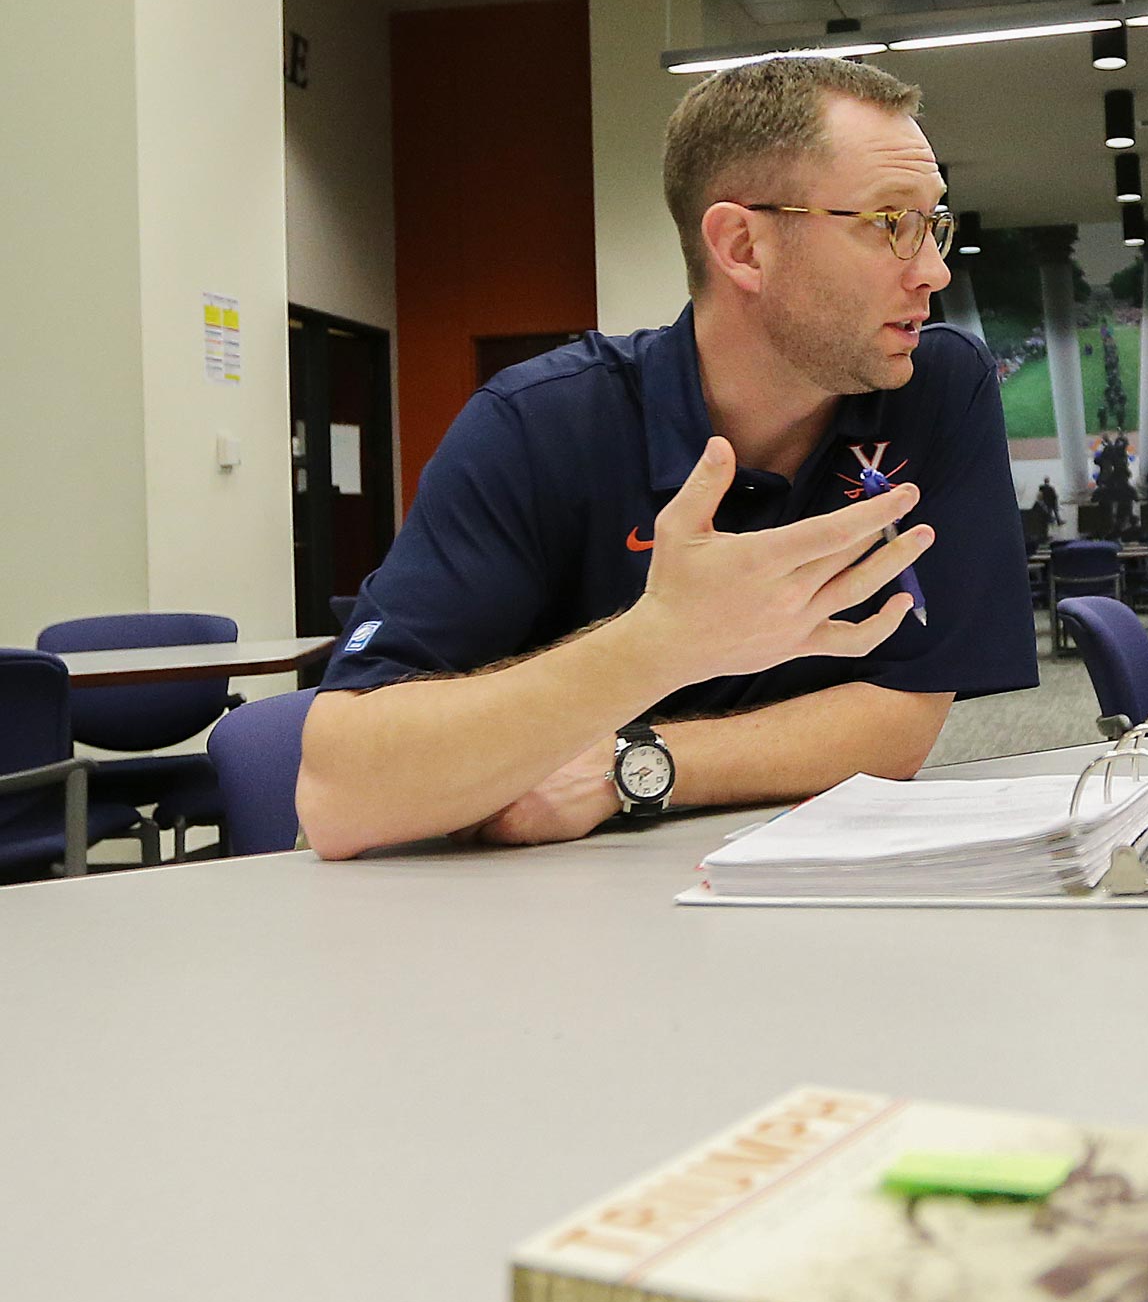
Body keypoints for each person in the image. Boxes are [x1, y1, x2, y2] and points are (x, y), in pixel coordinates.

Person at [296, 57, 1037, 858]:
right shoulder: (539, 426)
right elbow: (340, 798)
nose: (933, 270)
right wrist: (660, 641)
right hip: (546, 932)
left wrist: (636, 763)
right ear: (744, 246)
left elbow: (902, 716)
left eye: (935, 224)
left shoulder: (937, 386)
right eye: (890, 223)